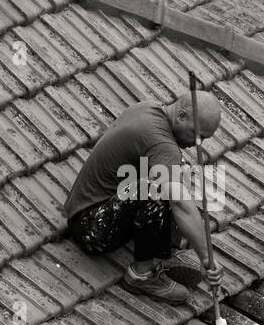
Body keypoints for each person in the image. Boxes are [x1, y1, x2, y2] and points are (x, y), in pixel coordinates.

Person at [65, 91, 224, 303]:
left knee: (175, 172)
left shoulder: (149, 108)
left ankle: (163, 253)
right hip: (90, 227)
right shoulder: (162, 144)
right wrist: (206, 256)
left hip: (95, 205)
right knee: (156, 189)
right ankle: (141, 275)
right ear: (181, 116)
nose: (198, 143)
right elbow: (179, 203)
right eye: (197, 135)